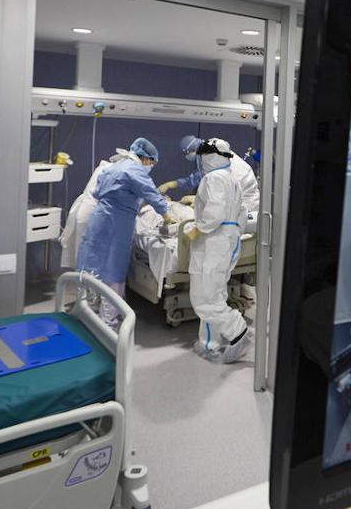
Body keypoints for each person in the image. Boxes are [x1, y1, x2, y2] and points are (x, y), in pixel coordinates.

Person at [76, 138, 170, 327]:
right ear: (146, 158)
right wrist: (167, 216)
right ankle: (108, 321)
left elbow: (103, 192)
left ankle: (86, 309)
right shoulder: (135, 170)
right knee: (113, 268)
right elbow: (153, 195)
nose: (151, 166)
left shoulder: (114, 167)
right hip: (117, 223)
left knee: (93, 262)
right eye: (152, 162)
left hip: (100, 217)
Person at [184, 138, 253, 363]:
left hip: (213, 241)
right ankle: (209, 343)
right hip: (228, 240)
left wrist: (198, 228)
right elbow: (242, 214)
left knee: (204, 299)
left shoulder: (213, 178)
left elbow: (214, 213)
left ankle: (239, 331)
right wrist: (231, 234)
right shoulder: (232, 179)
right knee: (215, 294)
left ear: (209, 156)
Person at [160, 135, 260, 219]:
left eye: (187, 153)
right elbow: (199, 176)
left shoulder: (219, 160)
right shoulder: (212, 156)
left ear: (193, 149)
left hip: (244, 205)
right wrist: (172, 184)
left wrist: (199, 199)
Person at [59, 153, 124, 269]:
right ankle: (87, 284)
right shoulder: (111, 173)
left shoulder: (104, 168)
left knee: (82, 255)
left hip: (85, 212)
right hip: (92, 215)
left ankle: (83, 282)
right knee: (89, 258)